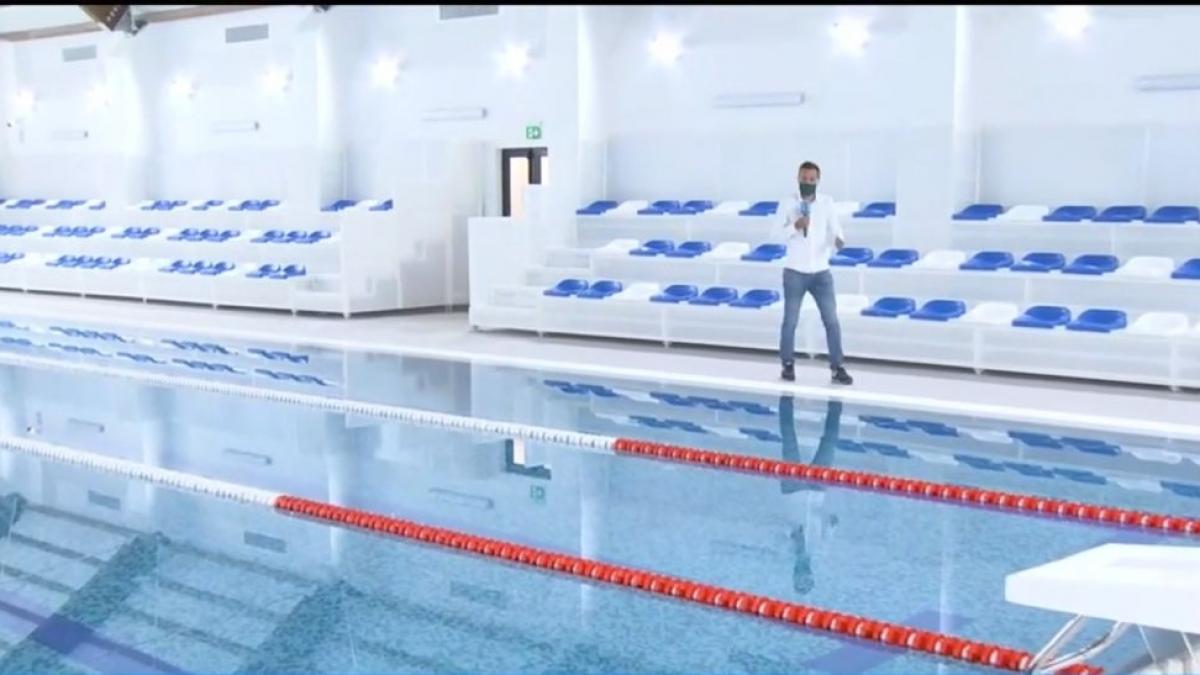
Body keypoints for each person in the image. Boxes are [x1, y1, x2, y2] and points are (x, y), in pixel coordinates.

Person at [777, 161, 853, 385]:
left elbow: (836, 230)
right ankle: (787, 364)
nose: (807, 182)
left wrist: (839, 241)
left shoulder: (827, 203)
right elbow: (775, 234)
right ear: (798, 178)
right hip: (795, 271)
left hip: (821, 272)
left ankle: (837, 367)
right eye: (804, 178)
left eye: (811, 179)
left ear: (818, 181)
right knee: (790, 321)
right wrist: (795, 226)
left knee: (831, 320)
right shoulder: (787, 203)